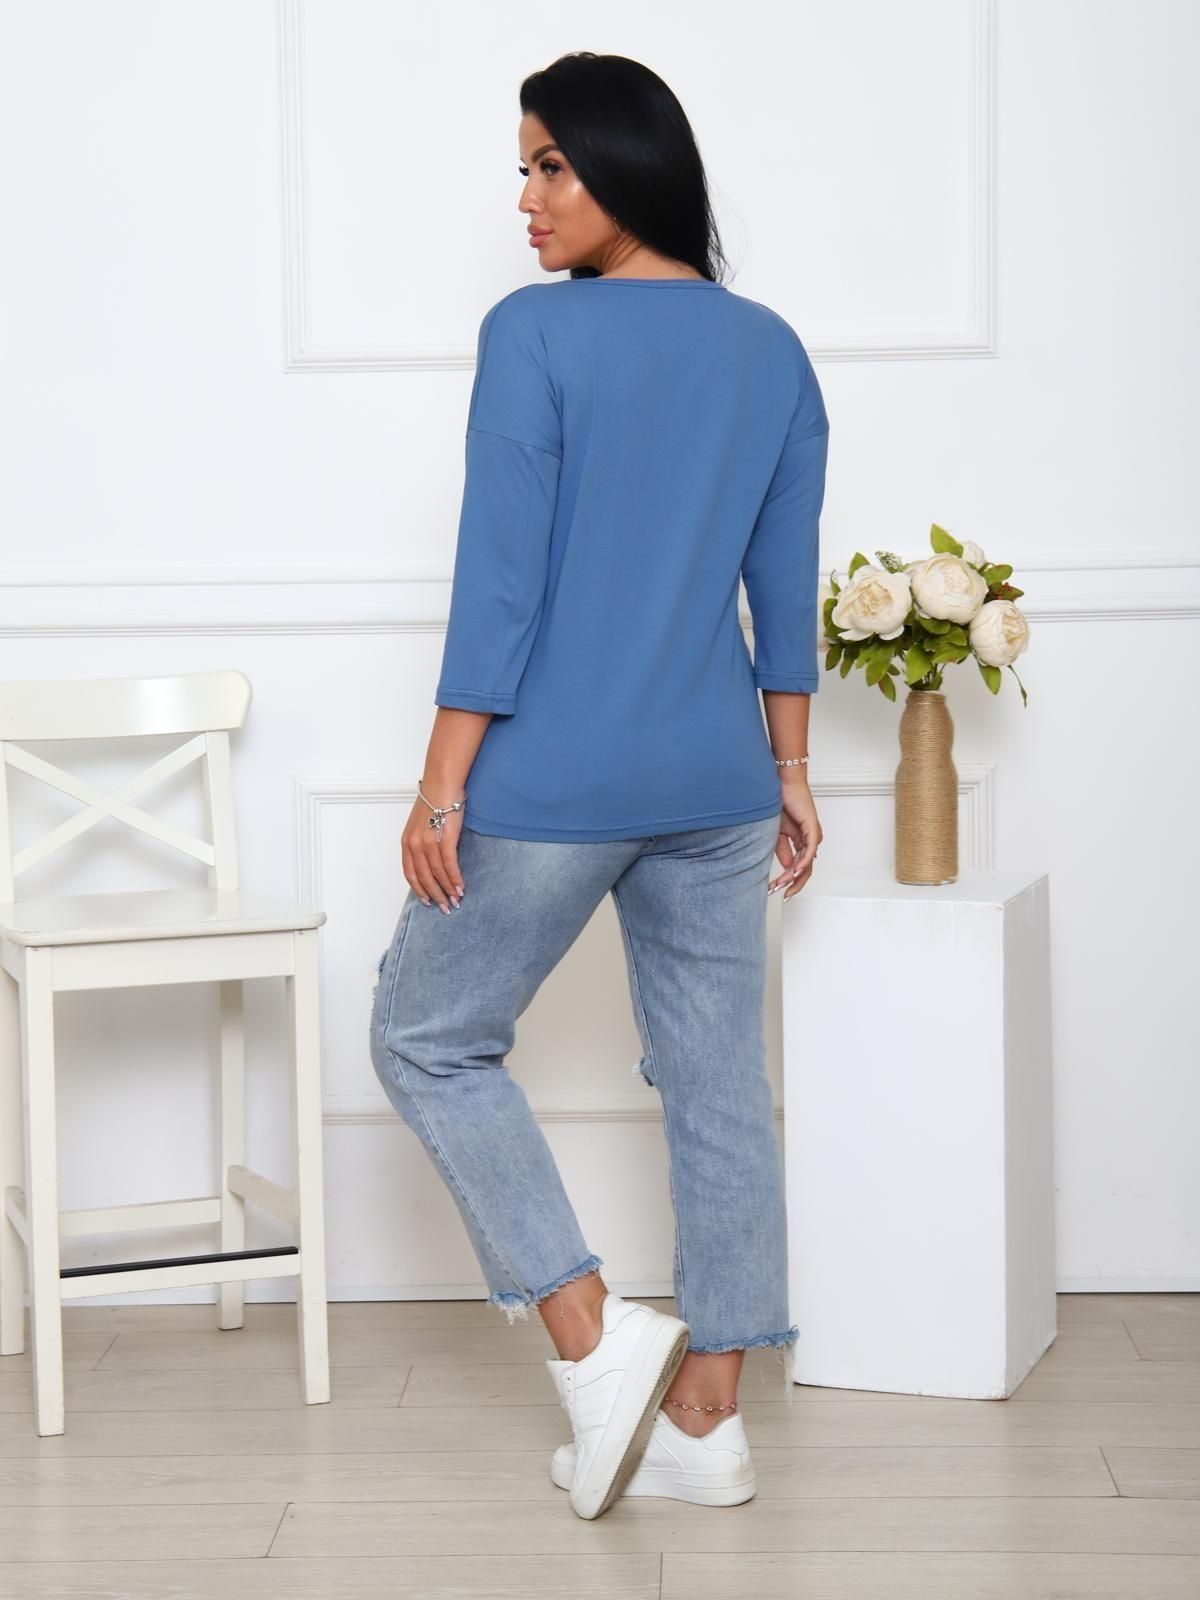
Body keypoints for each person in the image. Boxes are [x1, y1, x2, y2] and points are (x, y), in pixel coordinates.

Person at [369, 50, 829, 1518]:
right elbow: (783, 588)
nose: (527, 197)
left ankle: (592, 1335)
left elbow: (499, 580)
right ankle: (710, 1427)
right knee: (718, 1085)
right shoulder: (771, 349)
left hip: (556, 779)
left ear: (632, 167)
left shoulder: (534, 335)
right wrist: (792, 770)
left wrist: (441, 786)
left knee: (425, 1037)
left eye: (553, 165)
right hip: (718, 780)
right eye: (524, 167)